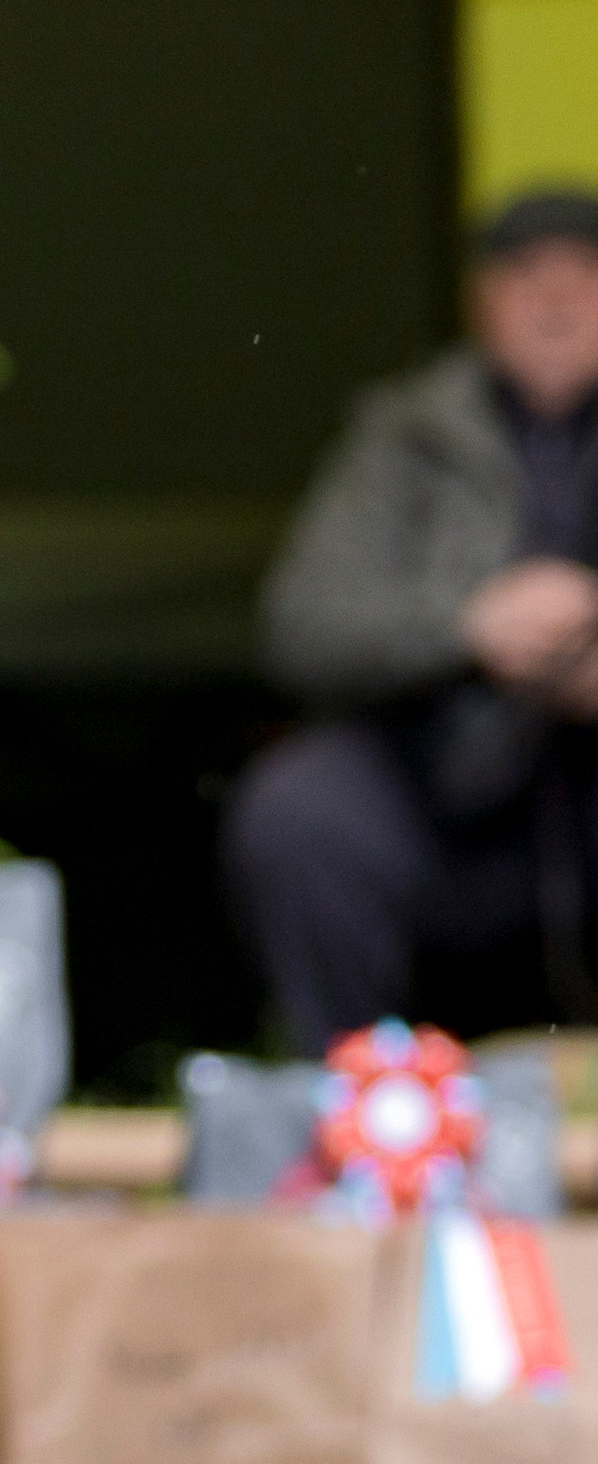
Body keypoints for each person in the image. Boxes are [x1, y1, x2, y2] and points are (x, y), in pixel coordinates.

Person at [227, 186, 598, 1054]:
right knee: (299, 811)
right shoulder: (406, 433)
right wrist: (469, 628)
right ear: (481, 302)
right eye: (526, 275)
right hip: (447, 784)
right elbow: (303, 624)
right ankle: (359, 1103)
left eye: (582, 274)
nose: (554, 300)